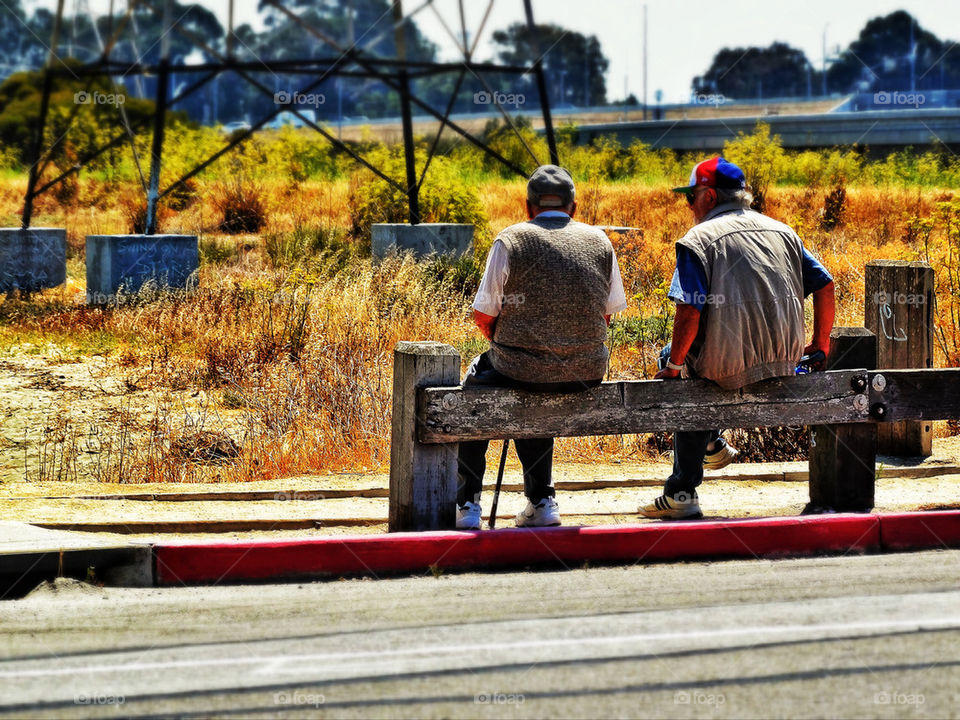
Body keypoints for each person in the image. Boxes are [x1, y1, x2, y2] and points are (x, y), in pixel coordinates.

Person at [639, 156, 835, 520]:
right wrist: (821, 344)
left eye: (690, 197)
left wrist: (675, 365)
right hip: (785, 363)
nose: (688, 205)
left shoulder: (697, 240)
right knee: (682, 360)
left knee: (673, 359)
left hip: (726, 367)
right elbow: (825, 284)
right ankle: (712, 444)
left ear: (709, 197)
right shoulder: (785, 232)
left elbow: (690, 310)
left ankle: (684, 488)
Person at [456, 164, 628, 529]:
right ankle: (542, 500)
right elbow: (608, 313)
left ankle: (467, 503)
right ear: (575, 207)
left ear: (527, 206)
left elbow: (483, 314)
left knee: (478, 385)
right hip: (587, 370)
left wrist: (513, 344)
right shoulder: (599, 240)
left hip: (519, 368)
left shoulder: (511, 239)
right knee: (542, 376)